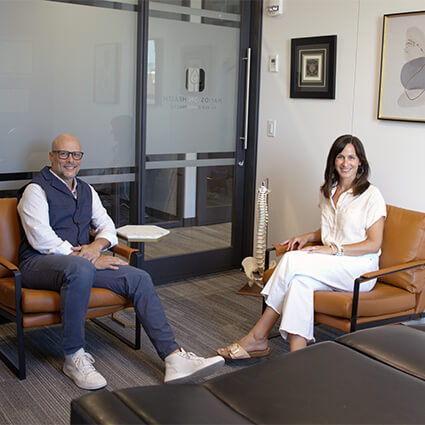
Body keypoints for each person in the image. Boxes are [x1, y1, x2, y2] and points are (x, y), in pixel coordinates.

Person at [17, 133, 224, 390]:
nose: (70, 160)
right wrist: (89, 259)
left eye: (76, 154)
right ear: (51, 156)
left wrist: (96, 247)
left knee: (137, 277)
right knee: (80, 267)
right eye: (63, 154)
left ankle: (173, 358)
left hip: (79, 267)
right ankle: (73, 356)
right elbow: (41, 239)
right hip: (37, 264)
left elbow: (107, 227)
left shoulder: (86, 190)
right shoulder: (35, 190)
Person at [218, 134, 387, 359]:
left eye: (351, 157)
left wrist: (333, 250)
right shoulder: (327, 190)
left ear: (360, 163)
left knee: (291, 259)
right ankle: (297, 359)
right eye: (340, 157)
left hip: (360, 269)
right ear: (333, 161)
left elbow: (374, 243)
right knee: (299, 284)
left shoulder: (371, 195)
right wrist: (309, 236)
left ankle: (258, 335)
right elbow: (334, 229)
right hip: (332, 264)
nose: (345, 163)